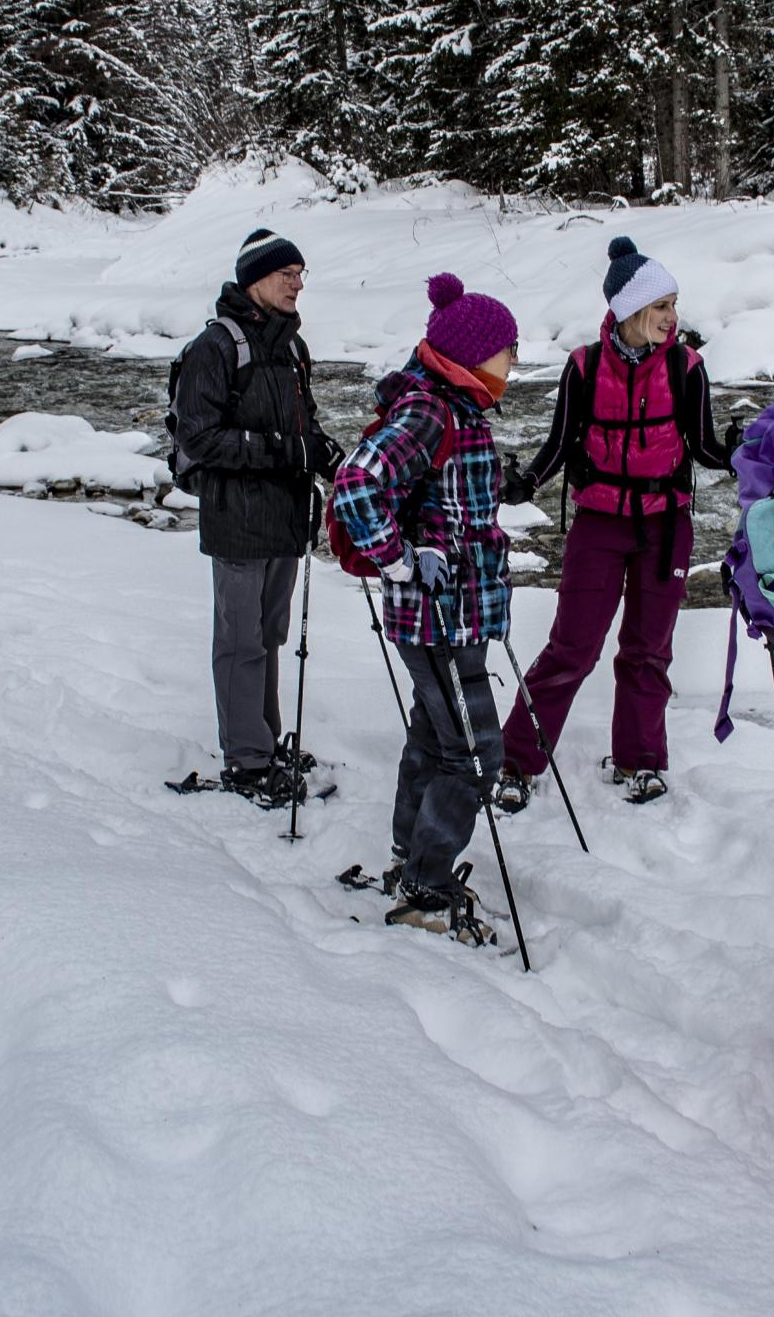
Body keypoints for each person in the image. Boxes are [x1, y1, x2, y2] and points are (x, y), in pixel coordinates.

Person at [496, 235, 734, 809]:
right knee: (572, 648)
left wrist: (734, 450)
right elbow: (561, 441)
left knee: (648, 651)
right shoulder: (585, 366)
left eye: (673, 305)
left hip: (665, 526)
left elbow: (701, 445)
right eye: (661, 307)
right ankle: (516, 760)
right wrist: (526, 480)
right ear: (629, 309)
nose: (671, 318)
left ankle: (641, 760)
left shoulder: (686, 366)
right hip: (599, 522)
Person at [329, 273, 520, 945]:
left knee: (436, 739)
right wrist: (399, 560)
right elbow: (357, 482)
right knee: (475, 756)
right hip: (440, 619)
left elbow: (449, 504)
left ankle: (409, 861)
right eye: (507, 349)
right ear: (472, 355)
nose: (513, 361)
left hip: (451, 616)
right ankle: (425, 887)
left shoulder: (455, 407)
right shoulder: (433, 410)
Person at [167, 228, 340, 807]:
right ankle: (247, 759)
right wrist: (283, 450)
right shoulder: (215, 347)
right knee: (240, 639)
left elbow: (303, 423)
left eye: (300, 274)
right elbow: (200, 436)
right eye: (287, 274)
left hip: (286, 516)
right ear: (255, 279)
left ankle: (263, 740)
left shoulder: (292, 346)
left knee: (269, 634)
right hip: (236, 518)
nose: (297, 284)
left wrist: (323, 452)